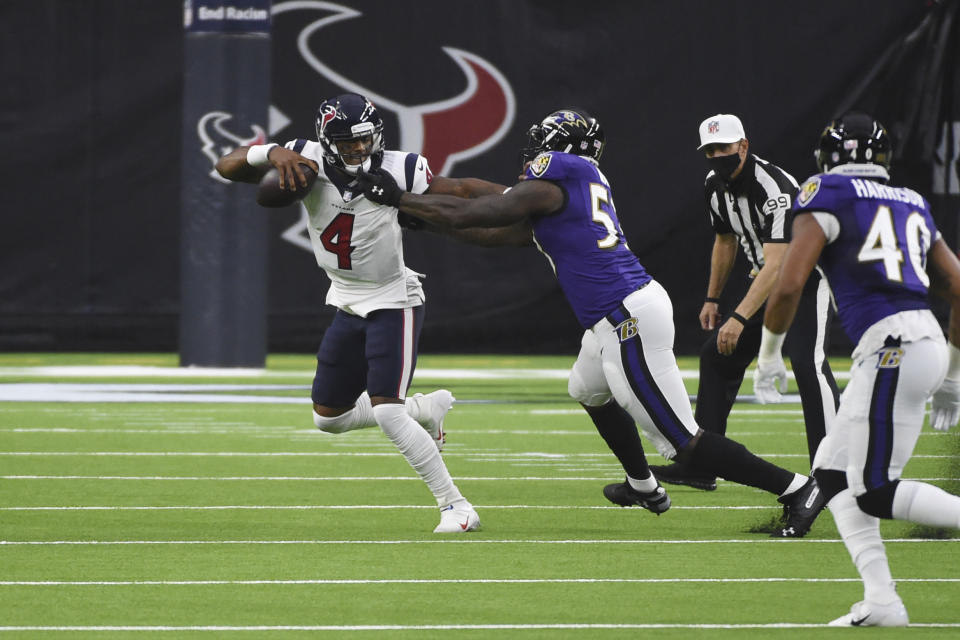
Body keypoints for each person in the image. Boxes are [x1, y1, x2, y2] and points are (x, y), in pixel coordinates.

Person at [356, 108, 825, 537]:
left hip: (627, 317)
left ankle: (797, 488)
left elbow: (488, 209)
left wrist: (403, 201)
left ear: (563, 147)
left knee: (684, 443)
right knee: (586, 387)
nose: (534, 152)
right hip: (612, 317)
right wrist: (427, 214)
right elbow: (493, 222)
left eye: (544, 142)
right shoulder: (573, 185)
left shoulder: (561, 173)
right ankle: (642, 486)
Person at [215, 92, 504, 533]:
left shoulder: (399, 167)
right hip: (346, 298)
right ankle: (424, 409)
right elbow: (227, 165)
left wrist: (516, 198)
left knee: (388, 412)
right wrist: (270, 151)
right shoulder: (304, 158)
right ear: (326, 141)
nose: (358, 149)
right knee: (328, 418)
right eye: (347, 143)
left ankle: (457, 506)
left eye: (364, 140)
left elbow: (461, 191)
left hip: (394, 297)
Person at [756, 112, 960, 625]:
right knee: (831, 475)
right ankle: (883, 601)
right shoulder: (910, 201)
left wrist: (769, 353)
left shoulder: (823, 193)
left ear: (827, 157)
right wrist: (953, 376)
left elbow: (787, 283)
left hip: (894, 347)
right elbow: (957, 287)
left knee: (875, 490)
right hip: (921, 342)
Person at [650, 114, 840, 492]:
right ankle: (702, 464)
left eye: (724, 148)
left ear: (743, 145)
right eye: (710, 150)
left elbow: (780, 261)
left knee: (807, 364)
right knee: (717, 356)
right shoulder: (713, 185)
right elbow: (725, 240)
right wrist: (713, 297)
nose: (717, 156)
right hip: (767, 279)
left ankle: (832, 472)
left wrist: (737, 316)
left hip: (804, 280)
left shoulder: (775, 188)